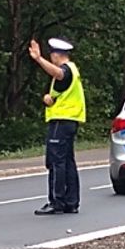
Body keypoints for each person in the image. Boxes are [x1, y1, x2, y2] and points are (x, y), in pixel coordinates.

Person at [28, 37, 86, 215]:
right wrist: (49, 99)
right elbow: (60, 93)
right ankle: (71, 201)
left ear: (56, 55)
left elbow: (59, 74)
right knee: (68, 161)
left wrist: (38, 59)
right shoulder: (73, 71)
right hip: (69, 120)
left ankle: (56, 201)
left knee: (56, 162)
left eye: (51, 54)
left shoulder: (66, 70)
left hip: (61, 122)